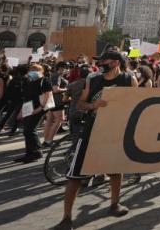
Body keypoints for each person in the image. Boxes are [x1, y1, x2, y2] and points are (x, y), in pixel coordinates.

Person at [54, 51, 137, 230]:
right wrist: (93, 105)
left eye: (104, 60)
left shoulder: (129, 80)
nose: (100, 63)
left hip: (114, 133)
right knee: (75, 175)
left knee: (115, 170)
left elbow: (136, 106)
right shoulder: (93, 80)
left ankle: (115, 204)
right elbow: (80, 104)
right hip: (91, 131)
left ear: (115, 62)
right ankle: (66, 218)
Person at [17, 64, 53, 163]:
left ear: (41, 71)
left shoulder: (44, 80)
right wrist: (21, 111)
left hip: (39, 107)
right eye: (31, 69)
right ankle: (29, 153)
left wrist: (40, 108)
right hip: (29, 107)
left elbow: (48, 94)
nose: (33, 71)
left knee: (30, 129)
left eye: (36, 69)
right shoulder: (28, 81)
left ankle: (37, 152)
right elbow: (26, 97)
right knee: (26, 130)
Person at [43, 62, 69, 147]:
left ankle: (46, 140)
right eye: (66, 68)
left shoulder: (53, 75)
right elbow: (56, 89)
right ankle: (49, 140)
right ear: (61, 68)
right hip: (57, 100)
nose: (67, 70)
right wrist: (66, 89)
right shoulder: (56, 76)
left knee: (49, 120)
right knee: (60, 119)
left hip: (51, 100)